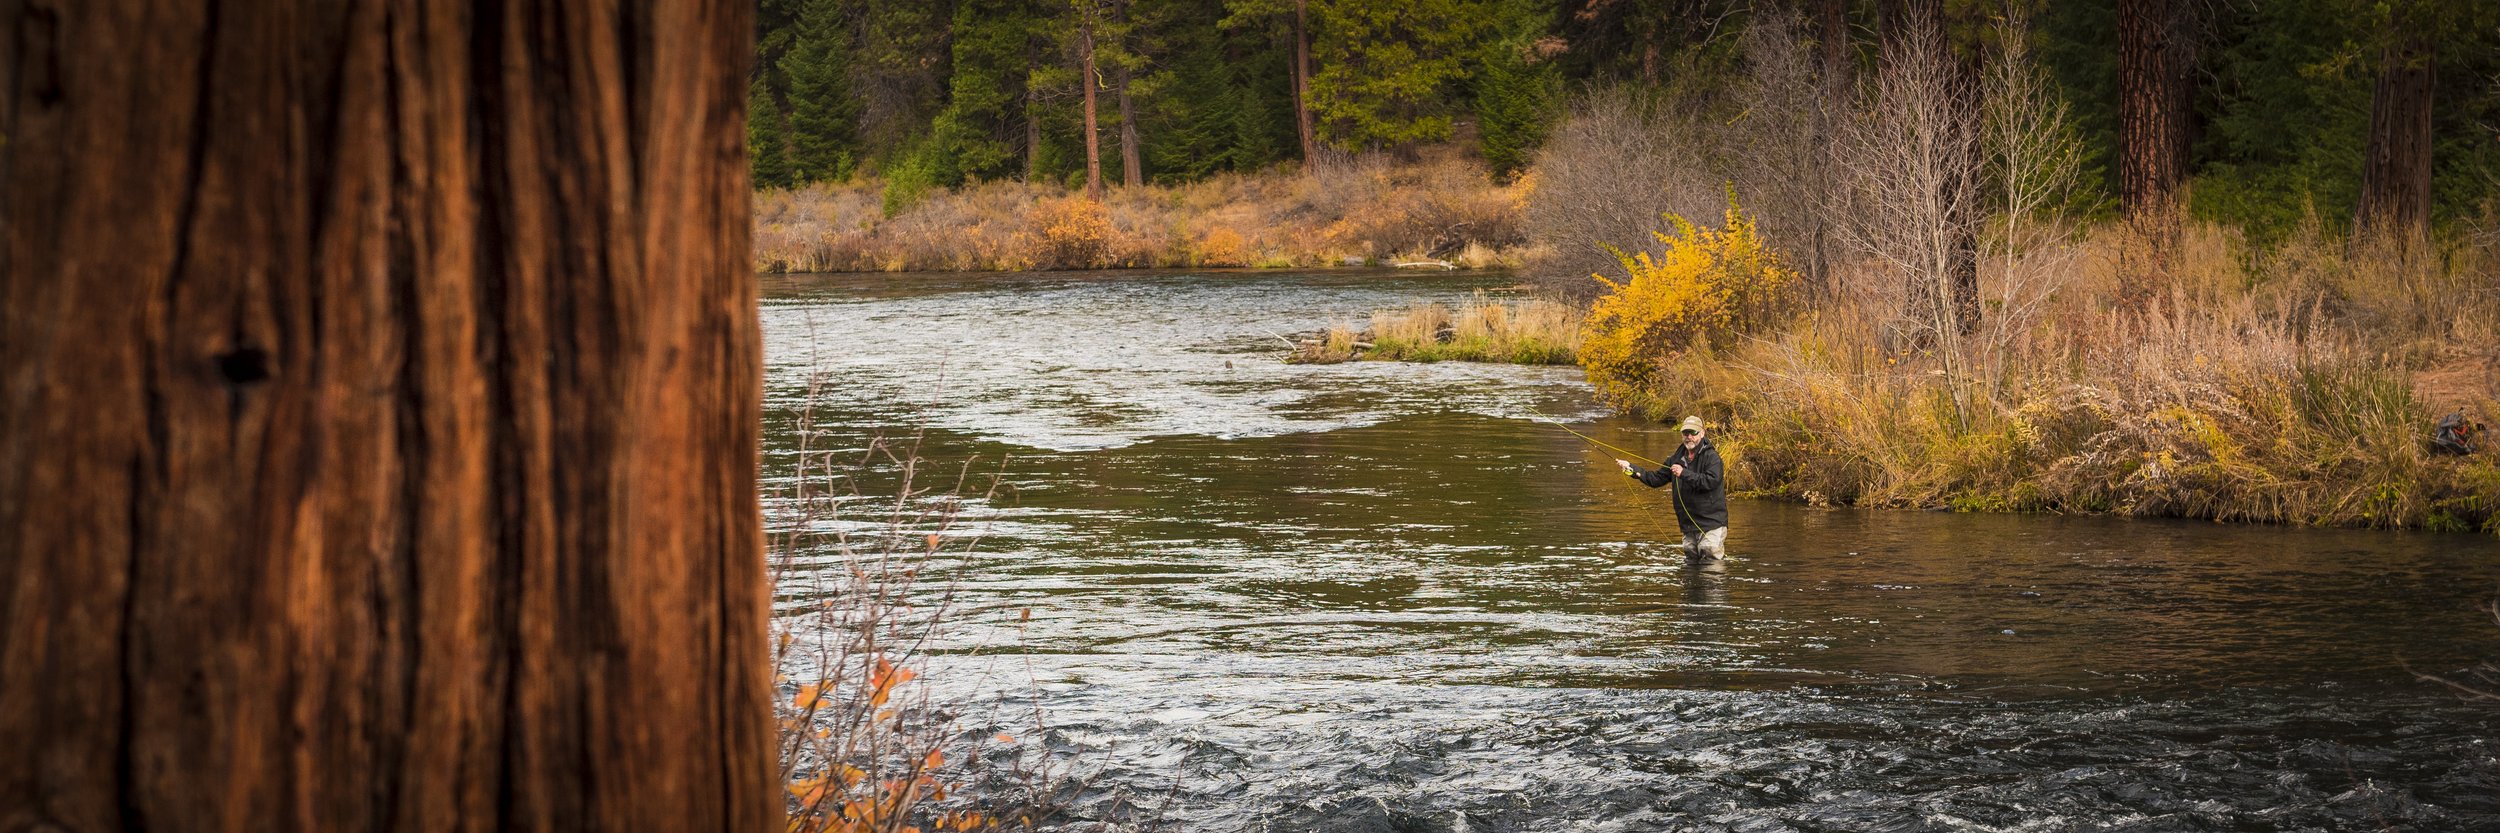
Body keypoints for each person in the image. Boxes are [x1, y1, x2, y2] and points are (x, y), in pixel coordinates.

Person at [1617, 415, 1728, 561]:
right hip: (1688, 524)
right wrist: (1631, 468)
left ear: (1702, 433)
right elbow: (1655, 479)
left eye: (1693, 433)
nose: (1689, 437)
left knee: (1710, 561)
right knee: (1691, 564)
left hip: (1711, 523)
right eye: (1685, 433)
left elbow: (1711, 482)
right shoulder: (1675, 459)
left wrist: (1684, 473)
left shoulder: (1712, 457)